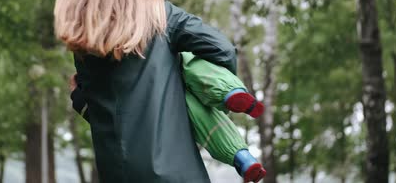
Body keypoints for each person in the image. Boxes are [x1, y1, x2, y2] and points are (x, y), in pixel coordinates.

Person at [54, 0, 266, 183]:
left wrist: (79, 99)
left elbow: (109, 111)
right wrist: (197, 95)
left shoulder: (82, 35)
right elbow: (223, 50)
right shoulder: (162, 17)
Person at [70, 51, 267, 182]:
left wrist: (79, 99)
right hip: (175, 93)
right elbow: (218, 46)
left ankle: (238, 153)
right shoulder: (161, 25)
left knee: (194, 107)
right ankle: (229, 95)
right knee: (189, 63)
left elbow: (106, 118)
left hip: (144, 124)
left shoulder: (93, 59)